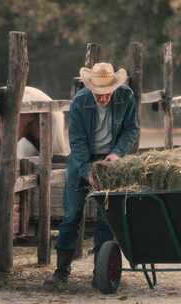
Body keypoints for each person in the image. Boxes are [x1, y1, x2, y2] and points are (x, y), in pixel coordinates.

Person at [45, 62, 139, 288]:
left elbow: (131, 129)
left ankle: (101, 272)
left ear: (114, 88)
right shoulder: (80, 101)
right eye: (98, 93)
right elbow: (76, 142)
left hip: (110, 161)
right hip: (82, 159)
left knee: (106, 218)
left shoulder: (126, 97)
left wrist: (117, 153)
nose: (103, 98)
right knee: (71, 216)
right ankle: (61, 271)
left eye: (107, 93)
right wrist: (87, 171)